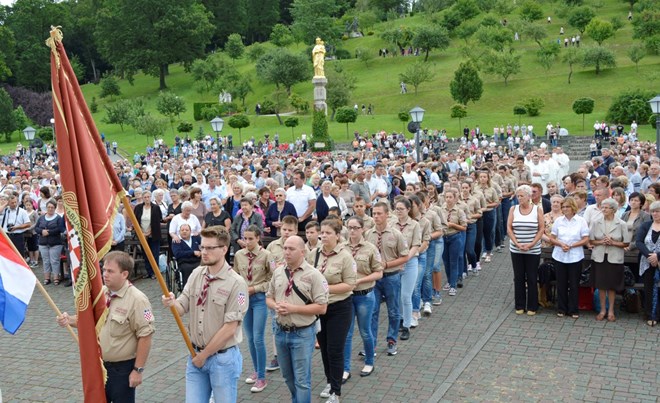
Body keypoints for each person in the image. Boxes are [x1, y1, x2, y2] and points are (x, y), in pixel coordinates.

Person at [162, 226, 248, 402]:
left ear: (224, 249)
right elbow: (182, 307)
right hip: (195, 356)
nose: (204, 252)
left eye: (210, 248)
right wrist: (172, 303)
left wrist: (204, 355)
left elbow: (230, 328)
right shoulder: (196, 274)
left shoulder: (236, 283)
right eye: (202, 247)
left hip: (222, 360)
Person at [57, 252, 155, 403]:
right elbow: (90, 322)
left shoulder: (138, 300)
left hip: (121, 370)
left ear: (124, 274)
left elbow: (146, 336)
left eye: (110, 271)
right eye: (103, 270)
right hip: (98, 366)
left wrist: (138, 370)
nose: (105, 274)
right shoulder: (101, 293)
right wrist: (69, 320)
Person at [266, 236, 328, 403]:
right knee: (287, 377)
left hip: (302, 333)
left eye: (291, 249)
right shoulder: (278, 272)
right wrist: (275, 306)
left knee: (302, 380)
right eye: (285, 248)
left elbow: (322, 307)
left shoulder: (314, 275)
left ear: (302, 252)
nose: (286, 252)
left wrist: (294, 309)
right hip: (280, 331)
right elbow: (269, 297)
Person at [309, 219, 356, 402]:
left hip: (340, 307)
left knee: (335, 349)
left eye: (328, 233)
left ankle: (336, 392)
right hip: (320, 309)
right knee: (324, 348)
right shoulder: (314, 254)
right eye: (322, 232)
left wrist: (324, 287)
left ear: (338, 235)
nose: (324, 236)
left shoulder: (345, 256)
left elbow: (350, 284)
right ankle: (330, 382)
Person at [364, 202, 409, 357]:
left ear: (387, 215)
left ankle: (391, 340)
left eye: (379, 213)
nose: (376, 216)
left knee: (393, 310)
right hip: (374, 279)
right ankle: (372, 344)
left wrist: (387, 264)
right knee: (373, 311)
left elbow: (404, 256)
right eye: (374, 213)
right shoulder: (368, 234)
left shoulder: (396, 234)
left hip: (391, 277)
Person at [233, 225, 273, 393]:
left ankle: (262, 377)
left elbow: (273, 279)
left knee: (258, 337)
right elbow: (235, 276)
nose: (247, 242)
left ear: (258, 238)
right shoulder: (239, 255)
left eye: (251, 238)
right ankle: (257, 371)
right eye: (245, 238)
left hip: (259, 299)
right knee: (249, 338)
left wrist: (255, 288)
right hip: (244, 300)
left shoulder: (266, 255)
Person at [343, 216, 382, 379]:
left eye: (355, 228)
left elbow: (378, 272)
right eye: (349, 227)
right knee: (346, 333)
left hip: (364, 295)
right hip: (346, 297)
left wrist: (360, 280)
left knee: (365, 331)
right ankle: (345, 368)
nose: (352, 231)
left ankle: (369, 362)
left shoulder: (370, 248)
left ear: (362, 229)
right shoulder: (341, 248)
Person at [590, 198, 630, 322]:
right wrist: (602, 241)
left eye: (606, 207)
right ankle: (602, 310)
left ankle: (611, 310)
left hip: (614, 257)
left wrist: (613, 242)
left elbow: (626, 243)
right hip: (600, 257)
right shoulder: (596, 222)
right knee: (601, 285)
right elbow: (591, 240)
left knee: (612, 286)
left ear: (613, 209)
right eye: (602, 207)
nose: (603, 209)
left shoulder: (621, 223)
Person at [507, 185, 545, 315]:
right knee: (518, 277)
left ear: (529, 196)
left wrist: (532, 244)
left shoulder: (537, 209)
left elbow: (541, 229)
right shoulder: (513, 209)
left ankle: (532, 306)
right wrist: (517, 243)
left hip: (532, 250)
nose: (519, 198)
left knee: (532, 277)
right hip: (516, 249)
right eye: (518, 196)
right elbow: (509, 228)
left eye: (522, 196)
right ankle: (519, 305)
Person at [550, 197, 590, 318]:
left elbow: (585, 239)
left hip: (575, 256)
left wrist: (572, 245)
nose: (565, 209)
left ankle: (573, 309)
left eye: (567, 206)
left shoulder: (581, 221)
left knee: (574, 284)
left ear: (573, 208)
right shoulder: (558, 221)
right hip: (559, 255)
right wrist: (561, 244)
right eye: (563, 207)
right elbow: (552, 238)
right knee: (561, 283)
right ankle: (561, 308)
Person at [636, 201, 660, 326]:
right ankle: (650, 314)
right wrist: (650, 256)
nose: (655, 214)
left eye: (657, 211)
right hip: (647, 262)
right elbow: (639, 242)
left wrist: (658, 256)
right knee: (649, 289)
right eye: (653, 211)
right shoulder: (646, 225)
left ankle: (658, 314)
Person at [34, 199, 65, 285]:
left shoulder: (58, 218)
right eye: (48, 207)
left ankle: (56, 277)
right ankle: (47, 278)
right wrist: (41, 232)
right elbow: (36, 228)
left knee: (54, 260)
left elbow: (60, 229)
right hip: (43, 242)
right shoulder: (41, 218)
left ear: (55, 208)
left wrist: (49, 232)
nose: (50, 209)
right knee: (46, 260)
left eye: (52, 207)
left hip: (55, 243)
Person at [134, 191, 162, 279]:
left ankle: (155, 273)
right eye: (145, 197)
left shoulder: (156, 208)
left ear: (151, 197)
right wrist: (142, 233)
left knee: (154, 254)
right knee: (145, 254)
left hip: (153, 234)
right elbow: (135, 221)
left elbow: (158, 221)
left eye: (148, 197)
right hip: (142, 234)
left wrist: (149, 232)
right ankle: (148, 272)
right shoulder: (138, 208)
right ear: (142, 198)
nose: (147, 199)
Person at [170, 223, 201, 287]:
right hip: (184, 262)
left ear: (190, 231)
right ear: (179, 232)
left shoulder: (196, 239)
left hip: (197, 261)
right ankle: (187, 288)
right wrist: (192, 252)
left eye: (186, 230)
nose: (184, 231)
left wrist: (201, 252)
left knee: (202, 268)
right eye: (182, 230)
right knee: (187, 268)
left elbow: (205, 246)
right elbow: (177, 254)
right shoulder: (176, 241)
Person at [1, 194, 31, 258]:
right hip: (7, 235)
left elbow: (28, 224)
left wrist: (17, 227)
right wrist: (5, 204)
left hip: (18, 236)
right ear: (8, 203)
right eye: (12, 203)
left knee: (19, 255)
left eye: (15, 202)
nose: (14, 204)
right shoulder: (5, 210)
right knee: (7, 255)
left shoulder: (22, 211)